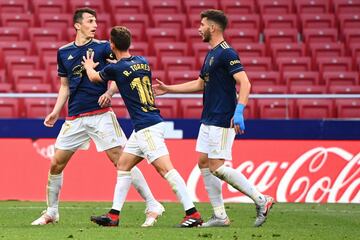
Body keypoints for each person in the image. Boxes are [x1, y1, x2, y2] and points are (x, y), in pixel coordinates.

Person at [31, 8, 164, 227]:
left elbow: (121, 70)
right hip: (75, 117)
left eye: (96, 21)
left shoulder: (104, 47)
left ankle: (152, 204)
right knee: (56, 164)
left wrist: (109, 92)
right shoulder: (63, 52)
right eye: (90, 21)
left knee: (122, 161)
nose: (95, 25)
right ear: (77, 25)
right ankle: (52, 212)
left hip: (101, 116)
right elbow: (65, 85)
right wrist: (56, 111)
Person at [153, 9, 274, 227]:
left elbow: (245, 82)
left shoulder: (227, 53)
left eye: (202, 25)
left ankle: (261, 199)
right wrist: (169, 89)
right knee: (203, 163)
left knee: (217, 167)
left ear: (213, 27)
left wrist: (239, 111)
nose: (198, 28)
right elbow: (200, 84)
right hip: (209, 117)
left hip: (222, 117)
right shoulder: (211, 54)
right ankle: (220, 215)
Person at [82, 26, 203, 228]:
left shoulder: (115, 69)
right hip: (145, 126)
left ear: (112, 45)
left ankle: (193, 213)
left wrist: (87, 65)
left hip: (148, 127)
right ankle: (113, 216)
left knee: (166, 170)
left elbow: (95, 78)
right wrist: (116, 64)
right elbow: (125, 69)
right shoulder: (143, 62)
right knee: (123, 165)